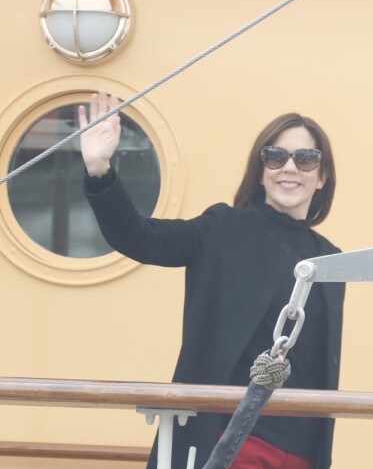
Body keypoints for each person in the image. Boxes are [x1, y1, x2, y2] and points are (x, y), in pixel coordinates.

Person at [79, 91, 345, 469]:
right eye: (276, 156)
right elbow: (139, 237)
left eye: (305, 159)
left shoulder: (330, 258)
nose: (290, 168)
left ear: (322, 177)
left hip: (303, 452)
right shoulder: (223, 228)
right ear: (261, 171)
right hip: (230, 440)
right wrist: (99, 168)